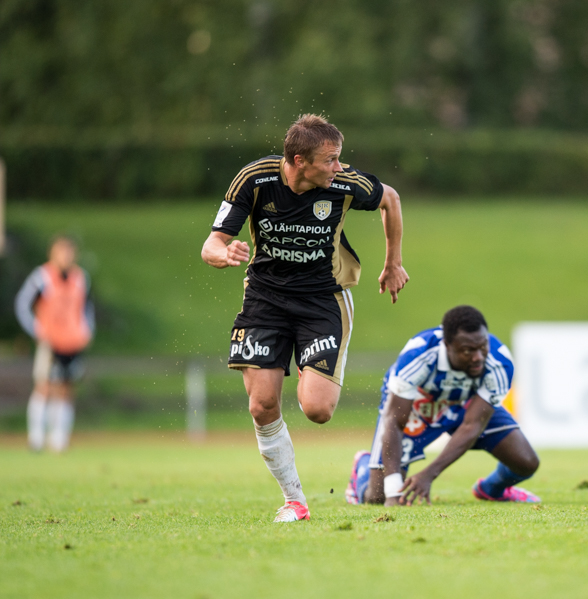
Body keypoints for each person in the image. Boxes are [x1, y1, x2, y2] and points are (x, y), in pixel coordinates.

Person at [201, 113, 408, 523]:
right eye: (330, 160)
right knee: (262, 405)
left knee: (317, 409)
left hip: (322, 299)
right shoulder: (255, 180)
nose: (338, 167)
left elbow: (391, 198)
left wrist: (393, 262)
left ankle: (331, 390)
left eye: (339, 158)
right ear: (299, 160)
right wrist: (223, 254)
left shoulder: (345, 183)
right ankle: (294, 500)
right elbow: (212, 242)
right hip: (264, 299)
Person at [345, 305, 540, 507]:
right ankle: (362, 464)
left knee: (526, 462)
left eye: (483, 347)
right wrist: (394, 492)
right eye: (468, 351)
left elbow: (472, 425)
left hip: (467, 405)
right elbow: (393, 421)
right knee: (377, 497)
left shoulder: (499, 362)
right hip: (418, 408)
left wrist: (429, 473)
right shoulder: (419, 355)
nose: (478, 357)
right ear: (446, 345)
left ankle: (491, 489)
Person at [15, 235, 95, 452]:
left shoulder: (80, 278)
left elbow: (86, 308)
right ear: (52, 253)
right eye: (61, 251)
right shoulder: (42, 277)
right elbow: (22, 303)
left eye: (69, 252)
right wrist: (36, 329)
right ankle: (36, 438)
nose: (66, 256)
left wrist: (87, 331)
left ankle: (59, 438)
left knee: (66, 388)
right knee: (44, 385)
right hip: (51, 341)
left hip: (72, 341)